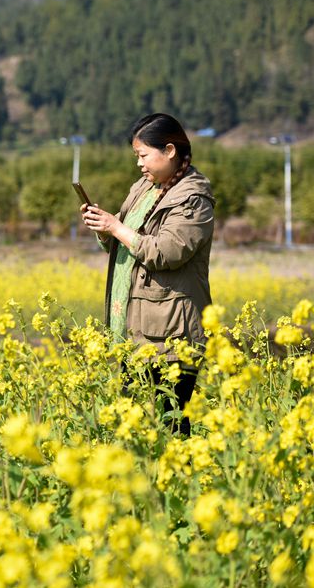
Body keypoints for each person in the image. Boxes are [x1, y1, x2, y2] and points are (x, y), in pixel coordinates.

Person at [80, 113, 215, 434]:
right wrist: (104, 228)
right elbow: (128, 242)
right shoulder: (146, 187)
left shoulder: (193, 199)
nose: (139, 164)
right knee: (136, 430)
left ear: (169, 150)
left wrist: (116, 227)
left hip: (171, 335)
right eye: (136, 156)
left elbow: (165, 252)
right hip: (136, 329)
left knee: (170, 428)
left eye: (143, 155)